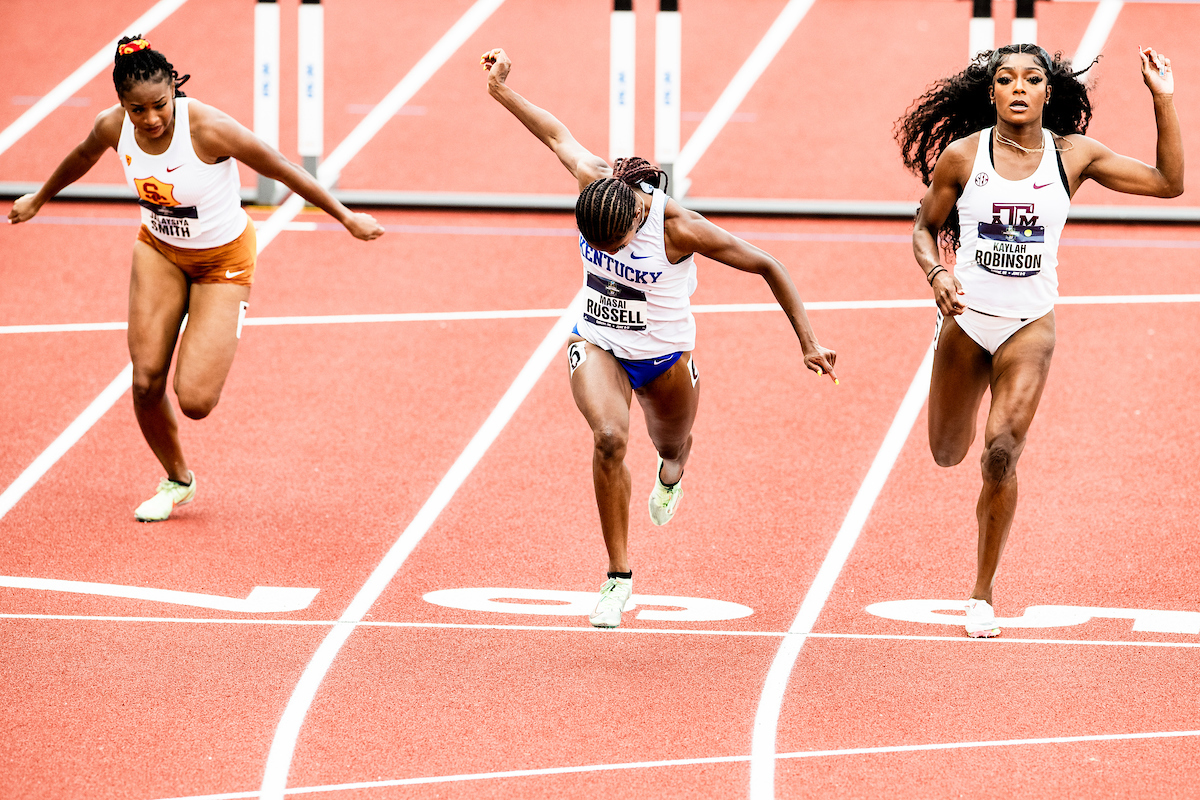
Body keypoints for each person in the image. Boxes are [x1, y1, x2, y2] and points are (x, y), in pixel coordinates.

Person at [480, 47, 838, 628]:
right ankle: (617, 580)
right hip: (600, 344)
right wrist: (501, 92)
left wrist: (808, 341)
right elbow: (555, 134)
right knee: (609, 440)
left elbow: (769, 264)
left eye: (618, 245)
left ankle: (672, 472)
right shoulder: (596, 184)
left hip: (667, 355)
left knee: (671, 445)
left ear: (635, 218)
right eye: (599, 247)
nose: (610, 253)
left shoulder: (679, 228)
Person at [8, 36, 384, 521]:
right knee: (145, 382)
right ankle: (177, 479)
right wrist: (39, 197)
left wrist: (345, 216)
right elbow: (82, 156)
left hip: (222, 260)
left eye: (159, 105)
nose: (150, 120)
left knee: (196, 401)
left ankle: (209, 340)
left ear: (174, 90)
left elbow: (285, 169)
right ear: (121, 104)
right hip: (160, 252)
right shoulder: (112, 126)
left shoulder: (207, 128)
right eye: (136, 110)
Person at [897, 44, 1183, 637]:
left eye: (1033, 79)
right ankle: (949, 364)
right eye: (1007, 80)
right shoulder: (962, 157)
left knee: (1000, 452)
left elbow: (1167, 184)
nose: (1020, 88)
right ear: (993, 93)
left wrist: (1163, 100)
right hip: (968, 320)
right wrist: (937, 273)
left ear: (1049, 93)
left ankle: (981, 594)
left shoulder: (1071, 156)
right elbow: (925, 228)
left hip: (1030, 326)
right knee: (947, 452)